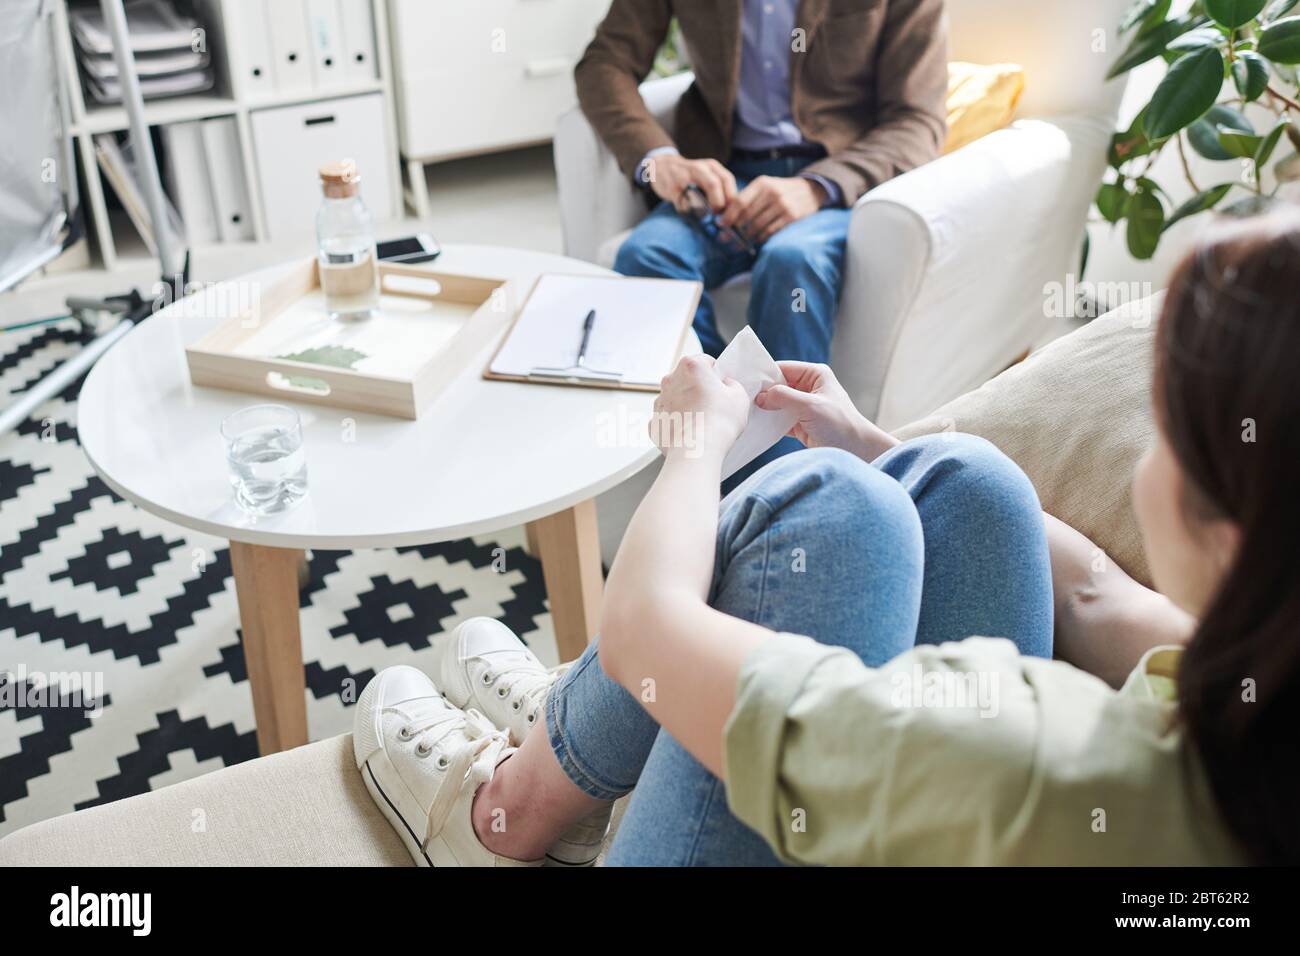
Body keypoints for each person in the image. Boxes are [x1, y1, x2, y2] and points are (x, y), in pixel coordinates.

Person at [354, 212, 1300, 866]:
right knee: (967, 484)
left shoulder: (1022, 760)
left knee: (832, 510)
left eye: (1166, 425)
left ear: (1224, 531)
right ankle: (579, 726)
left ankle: (509, 810)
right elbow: (1095, 592)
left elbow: (647, 625)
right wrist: (881, 445)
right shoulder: (1254, 694)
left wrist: (692, 448)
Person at [575, 0, 948, 477]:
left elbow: (919, 120)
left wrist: (817, 186)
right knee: (647, 255)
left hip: (838, 185)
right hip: (725, 176)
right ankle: (706, 458)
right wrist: (659, 158)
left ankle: (786, 490)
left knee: (791, 261)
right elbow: (604, 63)